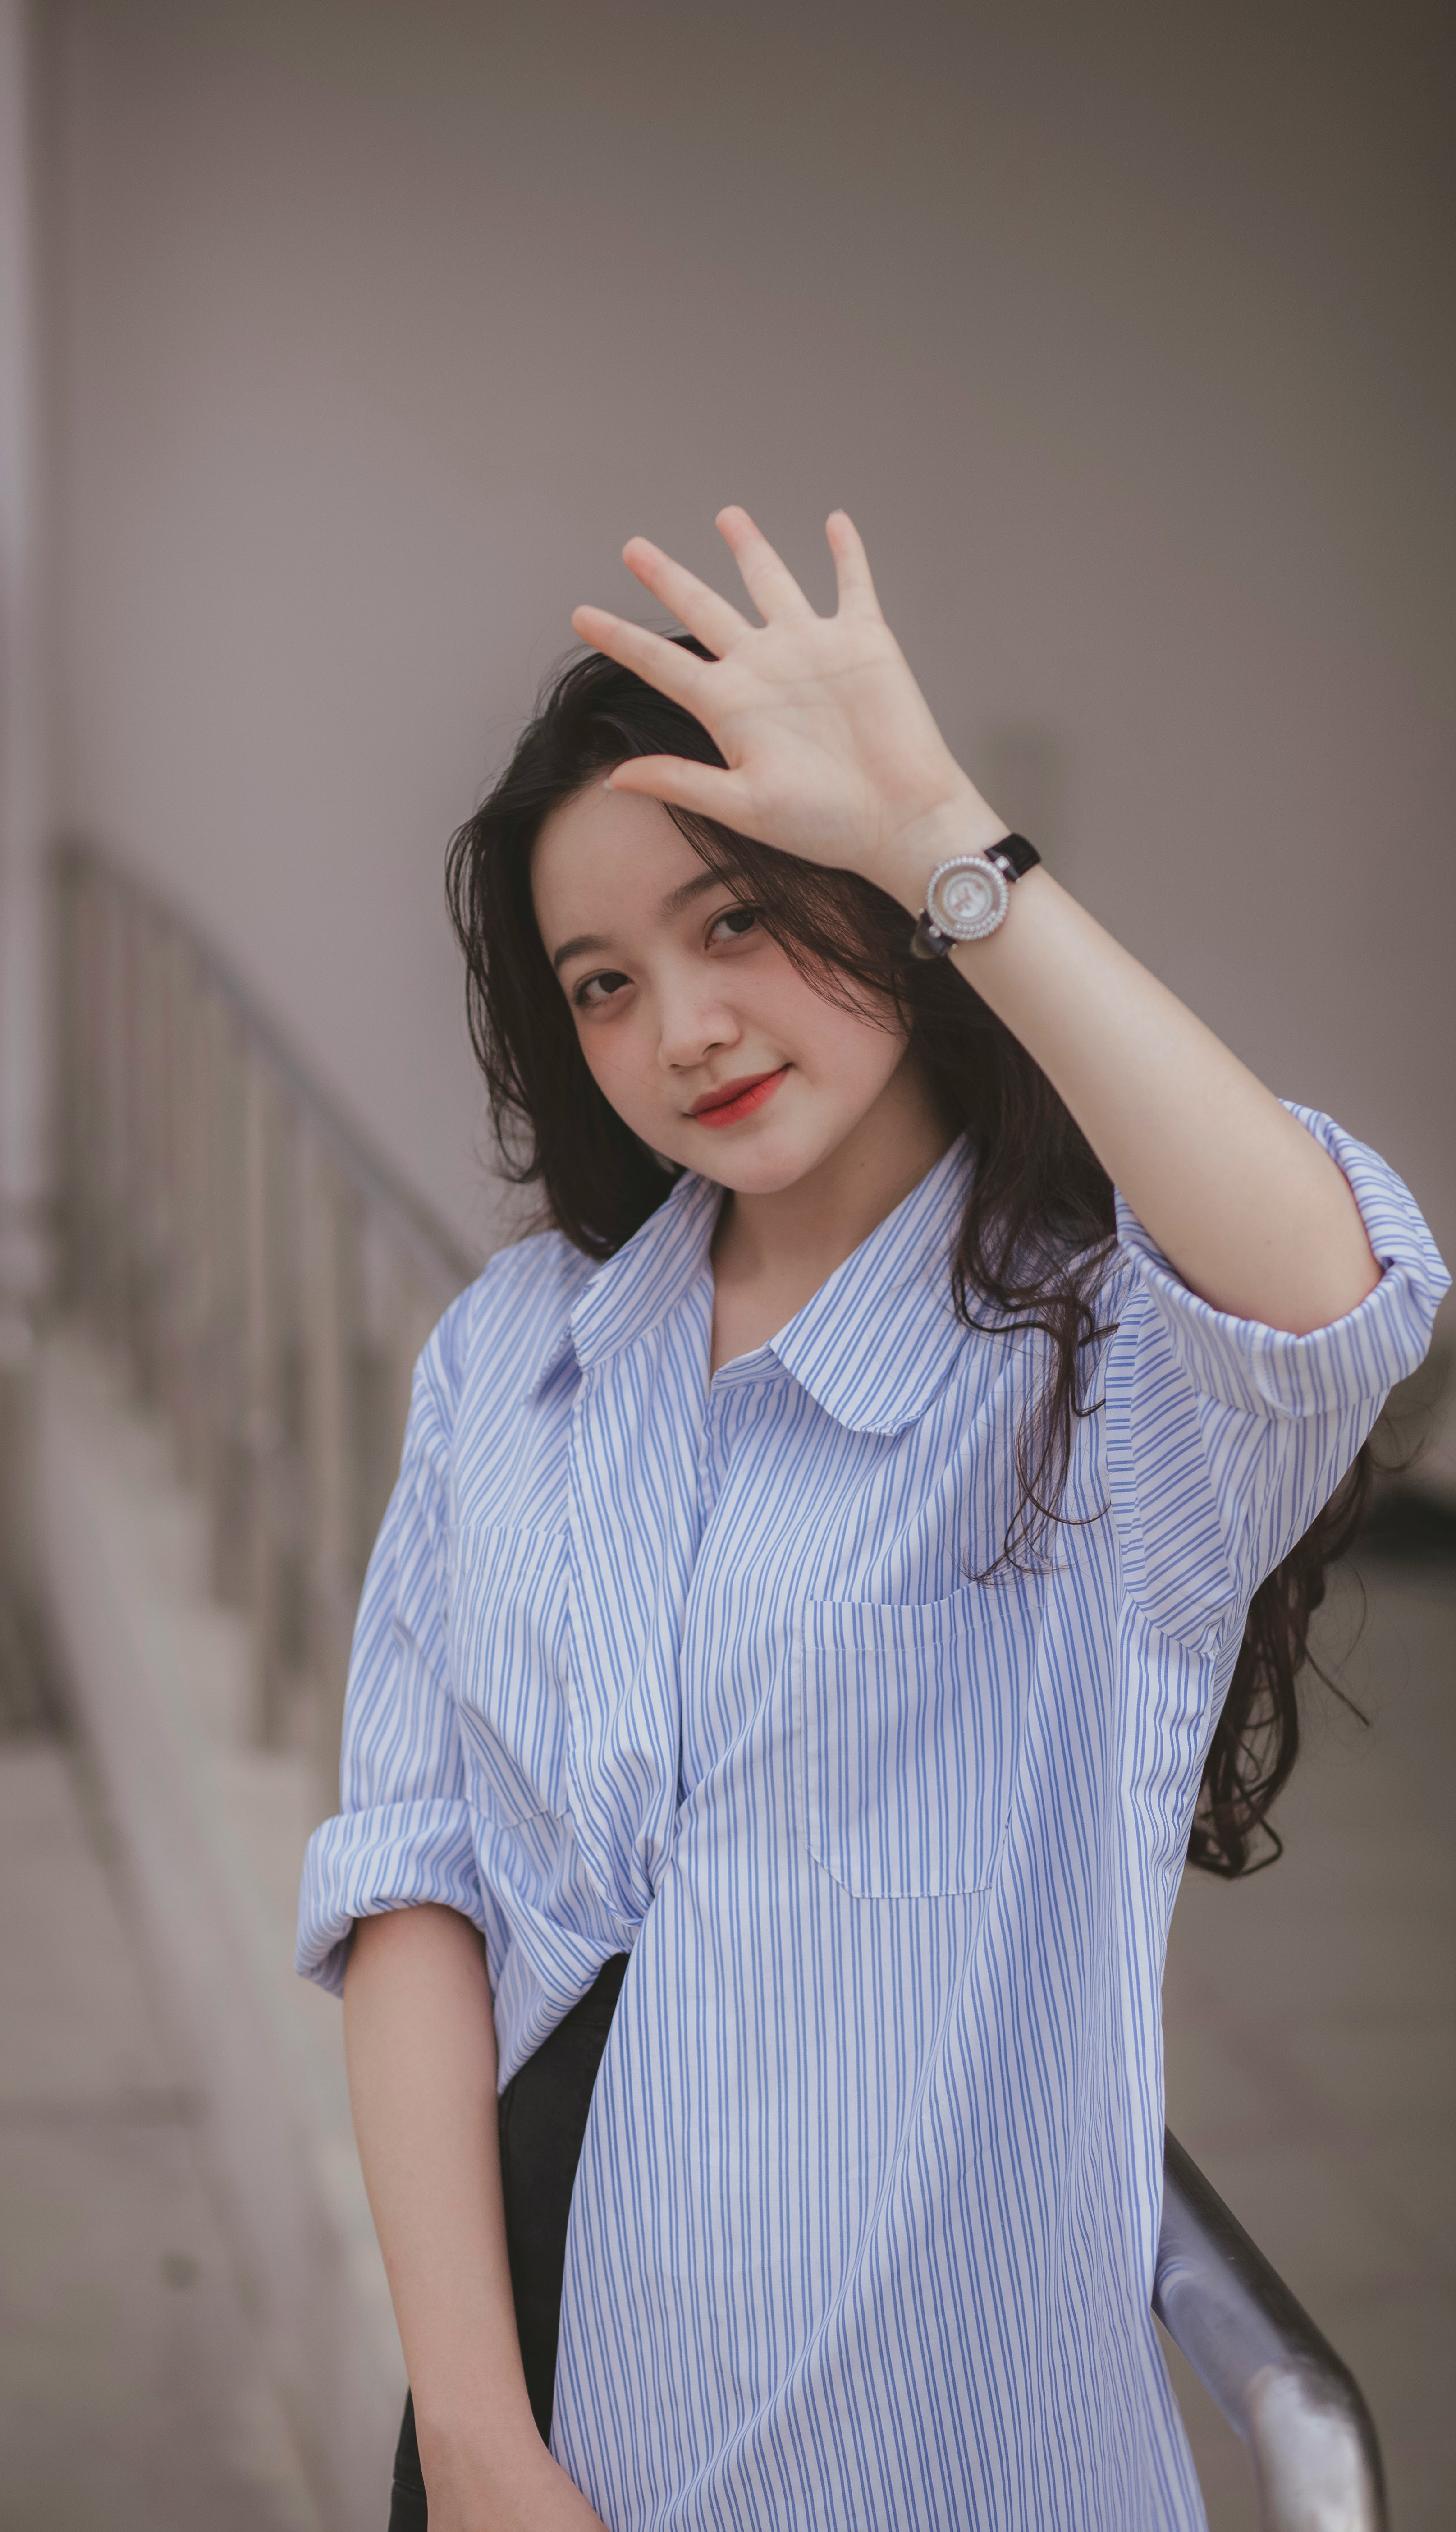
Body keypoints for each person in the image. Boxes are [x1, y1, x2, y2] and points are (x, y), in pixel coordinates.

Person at [297, 508, 1447, 2531]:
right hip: (524, 2415)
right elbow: (413, 1884)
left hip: (917, 2450)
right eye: (604, 982)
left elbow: (1335, 1295)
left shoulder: (1102, 1363)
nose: (684, 1030)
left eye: (738, 919)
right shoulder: (516, 1360)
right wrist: (474, 2439)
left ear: (883, 905)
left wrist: (938, 827)